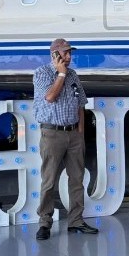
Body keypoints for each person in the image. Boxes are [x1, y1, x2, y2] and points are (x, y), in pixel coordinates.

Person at [32, 38, 98, 240]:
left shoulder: (73, 75)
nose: (69, 57)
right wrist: (60, 74)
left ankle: (76, 221)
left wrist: (80, 132)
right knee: (49, 180)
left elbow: (81, 103)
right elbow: (50, 96)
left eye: (70, 53)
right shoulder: (42, 73)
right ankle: (45, 222)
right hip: (52, 134)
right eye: (65, 53)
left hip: (73, 134)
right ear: (55, 55)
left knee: (77, 179)